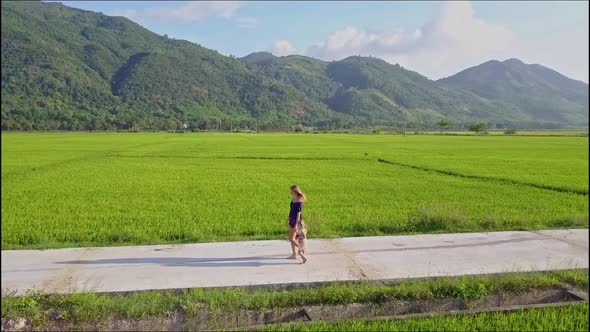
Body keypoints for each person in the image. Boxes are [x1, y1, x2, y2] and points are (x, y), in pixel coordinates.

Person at [287, 185, 307, 262]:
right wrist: (288, 218)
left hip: (296, 222)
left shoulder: (299, 201)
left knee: (291, 239)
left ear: (295, 191)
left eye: (291, 191)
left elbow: (298, 214)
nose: (290, 192)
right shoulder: (293, 200)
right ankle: (294, 254)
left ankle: (301, 250)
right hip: (291, 220)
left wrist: (295, 225)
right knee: (293, 238)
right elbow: (291, 210)